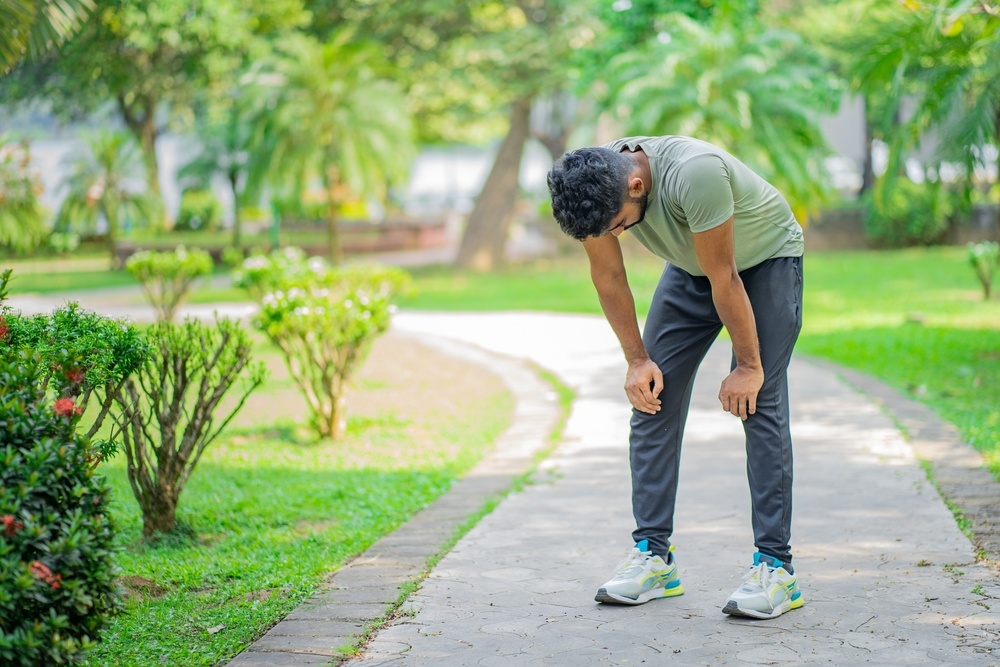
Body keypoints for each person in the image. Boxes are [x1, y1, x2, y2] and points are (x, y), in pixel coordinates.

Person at [546, 135, 805, 620]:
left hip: (764, 261)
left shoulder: (696, 173)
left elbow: (725, 277)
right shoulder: (593, 186)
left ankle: (777, 568)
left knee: (759, 399)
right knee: (651, 394)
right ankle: (654, 557)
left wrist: (748, 366)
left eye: (621, 225)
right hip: (693, 268)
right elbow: (609, 277)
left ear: (638, 184)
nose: (616, 235)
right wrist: (636, 359)